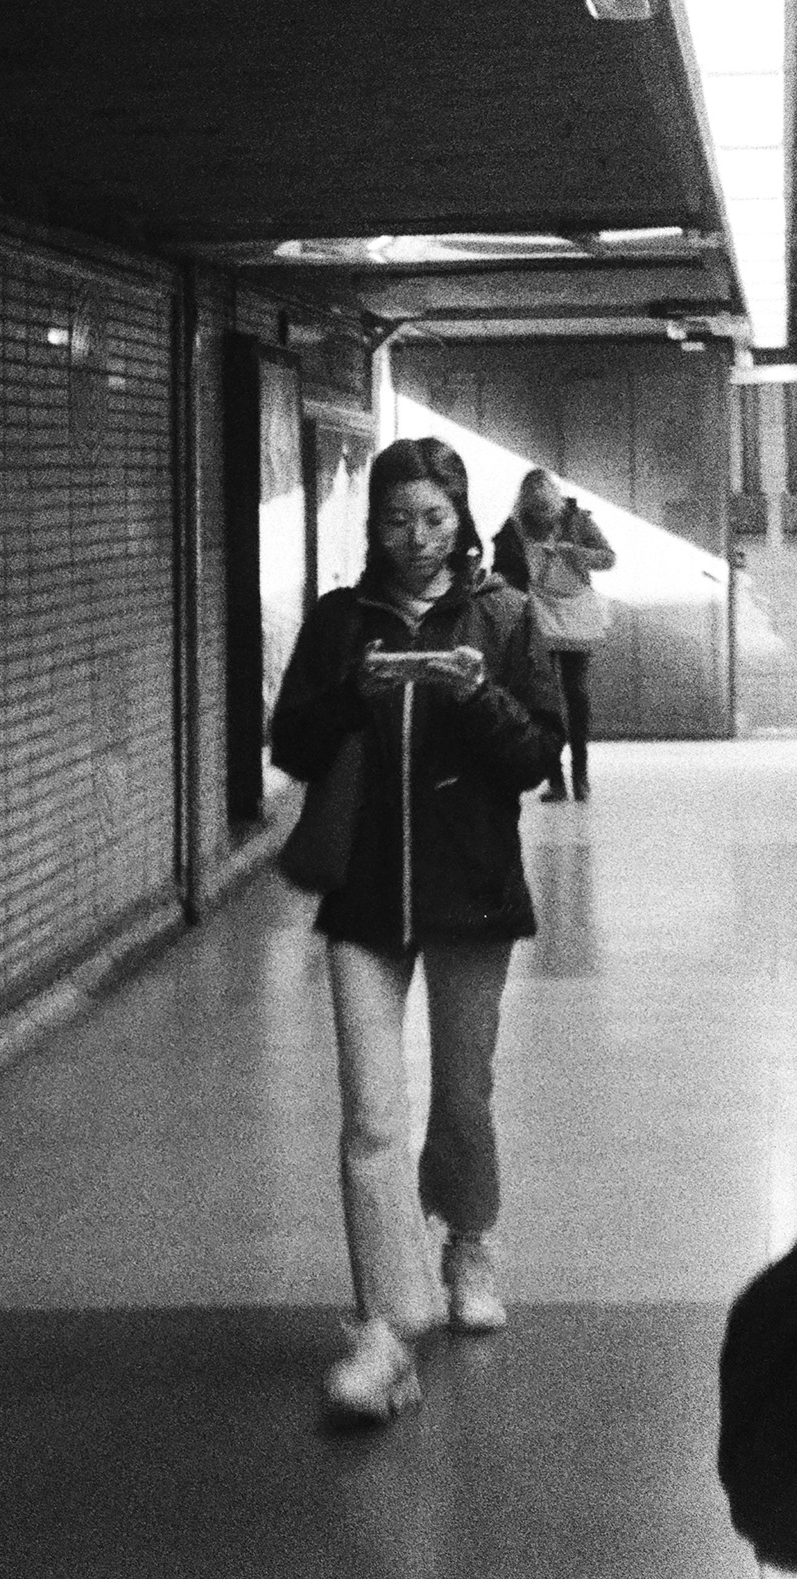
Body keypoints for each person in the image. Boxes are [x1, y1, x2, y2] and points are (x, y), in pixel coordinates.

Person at [266, 437, 567, 1426]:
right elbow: (290, 742)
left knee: (463, 1096)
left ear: (462, 518)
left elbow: (537, 754)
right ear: (375, 524)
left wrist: (475, 695)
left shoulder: (504, 615)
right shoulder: (338, 621)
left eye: (434, 517)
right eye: (397, 518)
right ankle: (383, 1329)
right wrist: (353, 692)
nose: (416, 537)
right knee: (370, 1115)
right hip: (362, 895)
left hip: (471, 886)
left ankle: (469, 1241)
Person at [493, 466, 617, 798]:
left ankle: (580, 775)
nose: (542, 516)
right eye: (535, 510)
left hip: (575, 613)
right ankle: (555, 779)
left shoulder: (578, 520)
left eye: (547, 508)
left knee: (576, 694)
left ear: (557, 502)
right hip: (537, 615)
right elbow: (502, 568)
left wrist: (575, 553)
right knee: (544, 698)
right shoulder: (514, 528)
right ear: (525, 505)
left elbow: (608, 558)